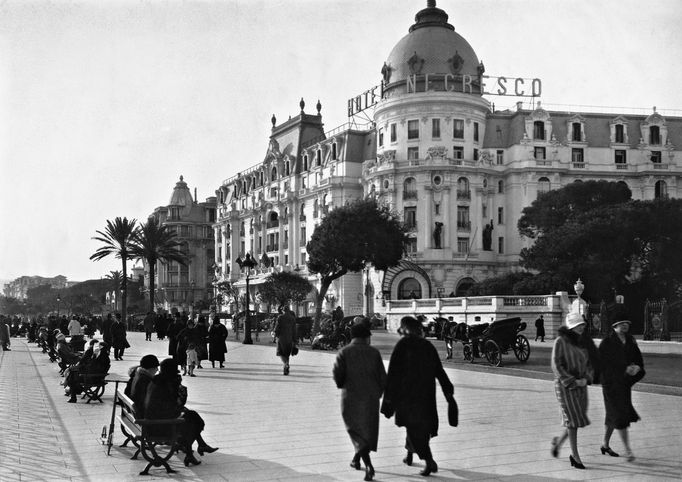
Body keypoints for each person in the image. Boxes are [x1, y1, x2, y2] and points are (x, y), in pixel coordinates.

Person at [382, 316, 454, 476]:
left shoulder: (403, 345)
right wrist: (448, 392)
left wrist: (388, 399)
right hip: (426, 394)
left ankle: (429, 461)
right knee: (418, 426)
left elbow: (393, 373)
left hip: (407, 396)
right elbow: (439, 371)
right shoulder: (427, 345)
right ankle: (409, 455)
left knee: (414, 428)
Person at [333, 317, 386, 481]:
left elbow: (338, 375)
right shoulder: (374, 352)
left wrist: (343, 384)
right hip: (371, 398)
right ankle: (357, 459)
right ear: (366, 337)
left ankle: (369, 466)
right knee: (367, 430)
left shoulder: (344, 352)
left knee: (355, 430)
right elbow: (383, 378)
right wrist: (380, 393)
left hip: (351, 397)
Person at [144, 358, 218, 466]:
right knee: (191, 420)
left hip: (154, 421)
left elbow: (169, 405)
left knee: (191, 417)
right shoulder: (165, 383)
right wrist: (178, 389)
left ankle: (195, 450)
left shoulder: (157, 380)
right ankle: (193, 450)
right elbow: (176, 403)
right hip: (159, 426)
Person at [550, 311, 594, 470]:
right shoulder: (560, 342)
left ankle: (558, 443)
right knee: (573, 419)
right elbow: (556, 365)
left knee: (575, 420)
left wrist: (586, 379)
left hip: (581, 386)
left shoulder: (582, 343)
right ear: (570, 327)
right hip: (565, 386)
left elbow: (589, 364)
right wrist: (572, 380)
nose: (581, 327)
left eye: (582, 325)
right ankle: (575, 456)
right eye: (577, 325)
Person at [598, 314, 645, 462]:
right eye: (621, 322)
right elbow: (602, 365)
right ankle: (628, 450)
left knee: (613, 415)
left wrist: (637, 367)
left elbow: (638, 359)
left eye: (627, 322)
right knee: (620, 416)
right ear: (614, 325)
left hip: (624, 384)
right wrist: (623, 369)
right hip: (611, 385)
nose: (625, 325)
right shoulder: (607, 342)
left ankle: (605, 444)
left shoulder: (630, 340)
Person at [273, 306, 297, 375]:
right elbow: (294, 330)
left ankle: (285, 364)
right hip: (290, 338)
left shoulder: (280, 317)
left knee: (280, 352)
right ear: (289, 310)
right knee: (287, 354)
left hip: (281, 338)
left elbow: (277, 327)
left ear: (283, 310)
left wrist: (275, 335)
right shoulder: (292, 318)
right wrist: (295, 340)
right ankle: (286, 369)